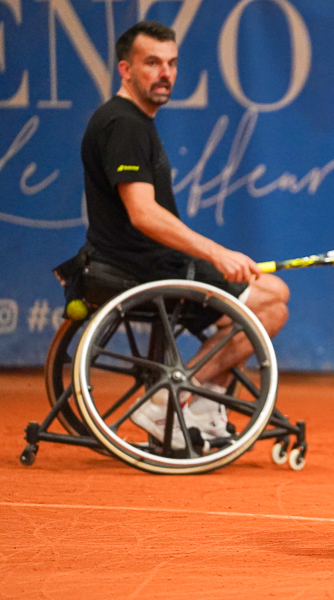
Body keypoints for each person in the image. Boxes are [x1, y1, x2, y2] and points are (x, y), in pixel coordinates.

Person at [77, 20, 290, 448]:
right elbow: (143, 215)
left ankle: (204, 404)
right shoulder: (124, 124)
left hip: (149, 263)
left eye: (172, 63)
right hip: (141, 269)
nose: (165, 73)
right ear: (125, 69)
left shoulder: (135, 121)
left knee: (269, 301)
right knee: (271, 303)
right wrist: (215, 253)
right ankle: (167, 400)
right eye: (152, 63)